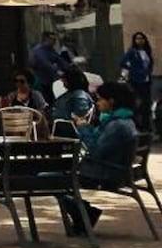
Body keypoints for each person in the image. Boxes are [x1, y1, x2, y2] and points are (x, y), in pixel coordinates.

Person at [60, 80, 141, 236]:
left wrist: (83, 128)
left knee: (50, 178)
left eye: (100, 99)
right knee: (57, 176)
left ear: (111, 101)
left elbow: (96, 150)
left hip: (105, 173)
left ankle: (85, 213)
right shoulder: (122, 121)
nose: (97, 103)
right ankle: (85, 214)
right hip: (112, 170)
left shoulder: (116, 125)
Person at [123, 32, 154, 130]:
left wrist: (148, 72)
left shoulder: (146, 51)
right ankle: (137, 125)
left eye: (141, 38)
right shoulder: (132, 51)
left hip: (146, 81)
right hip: (136, 81)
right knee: (137, 104)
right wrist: (133, 71)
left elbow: (149, 64)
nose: (140, 40)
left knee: (146, 104)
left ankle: (146, 126)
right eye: (137, 38)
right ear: (134, 40)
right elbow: (123, 63)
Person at [29, 31, 63, 96]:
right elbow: (46, 64)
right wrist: (57, 70)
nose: (54, 41)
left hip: (51, 80)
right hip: (41, 81)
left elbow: (59, 60)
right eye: (53, 39)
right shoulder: (38, 51)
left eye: (55, 39)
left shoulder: (51, 50)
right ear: (46, 39)